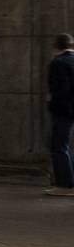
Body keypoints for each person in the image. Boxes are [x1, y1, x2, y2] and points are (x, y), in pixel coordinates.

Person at [47, 33, 74, 196]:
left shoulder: (58, 63)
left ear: (55, 46)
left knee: (58, 147)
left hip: (64, 111)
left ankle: (64, 185)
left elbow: (60, 90)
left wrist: (51, 105)